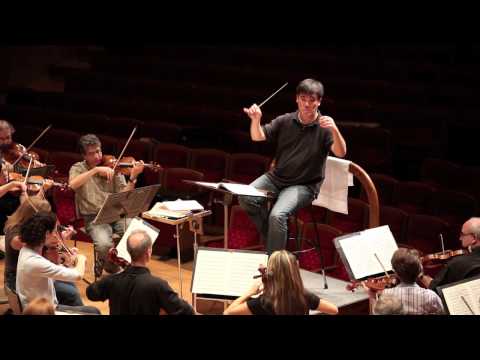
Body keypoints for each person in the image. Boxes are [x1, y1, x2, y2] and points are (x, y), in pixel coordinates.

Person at [240, 79, 347, 254]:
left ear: (319, 102)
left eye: (312, 100)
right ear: (297, 99)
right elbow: (257, 136)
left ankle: (274, 264)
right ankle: (273, 236)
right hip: (276, 178)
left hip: (304, 185)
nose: (307, 104)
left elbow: (341, 152)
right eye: (303, 98)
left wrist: (335, 129)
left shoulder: (325, 127)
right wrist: (255, 119)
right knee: (245, 197)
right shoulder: (285, 120)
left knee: (277, 215)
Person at [69, 134, 144, 277]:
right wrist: (95, 170)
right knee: (104, 244)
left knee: (136, 234)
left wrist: (133, 178)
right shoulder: (78, 168)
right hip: (94, 217)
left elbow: (124, 196)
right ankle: (112, 267)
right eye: (92, 153)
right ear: (84, 155)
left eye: (98, 151)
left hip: (116, 213)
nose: (97, 156)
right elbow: (72, 185)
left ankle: (117, 262)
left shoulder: (113, 168)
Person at [86, 229, 194, 315]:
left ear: (128, 251)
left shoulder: (111, 281)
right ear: (148, 252)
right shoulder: (158, 285)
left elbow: (90, 293)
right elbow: (187, 312)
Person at [3, 196, 86, 307]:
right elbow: (35, 245)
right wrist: (58, 240)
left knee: (70, 285)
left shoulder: (32, 234)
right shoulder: (18, 235)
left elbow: (48, 255)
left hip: (35, 272)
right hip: (18, 278)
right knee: (71, 293)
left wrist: (60, 247)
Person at [16, 212, 100, 314]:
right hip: (42, 311)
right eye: (55, 231)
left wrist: (66, 264)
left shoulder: (26, 249)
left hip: (46, 303)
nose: (57, 236)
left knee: (86, 305)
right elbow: (77, 275)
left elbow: (51, 273)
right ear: (47, 234)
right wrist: (81, 258)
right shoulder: (33, 261)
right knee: (94, 312)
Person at [224, 250, 338, 315]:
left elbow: (228, 312)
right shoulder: (304, 296)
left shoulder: (263, 302)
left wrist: (249, 293)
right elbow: (334, 310)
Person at [371, 248, 444, 315]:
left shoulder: (387, 295)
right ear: (419, 271)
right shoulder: (430, 296)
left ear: (396, 272)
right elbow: (442, 312)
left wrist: (372, 296)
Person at [420, 217, 480, 292]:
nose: (460, 238)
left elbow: (434, 290)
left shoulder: (457, 263)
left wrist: (421, 276)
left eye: (462, 234)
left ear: (474, 238)